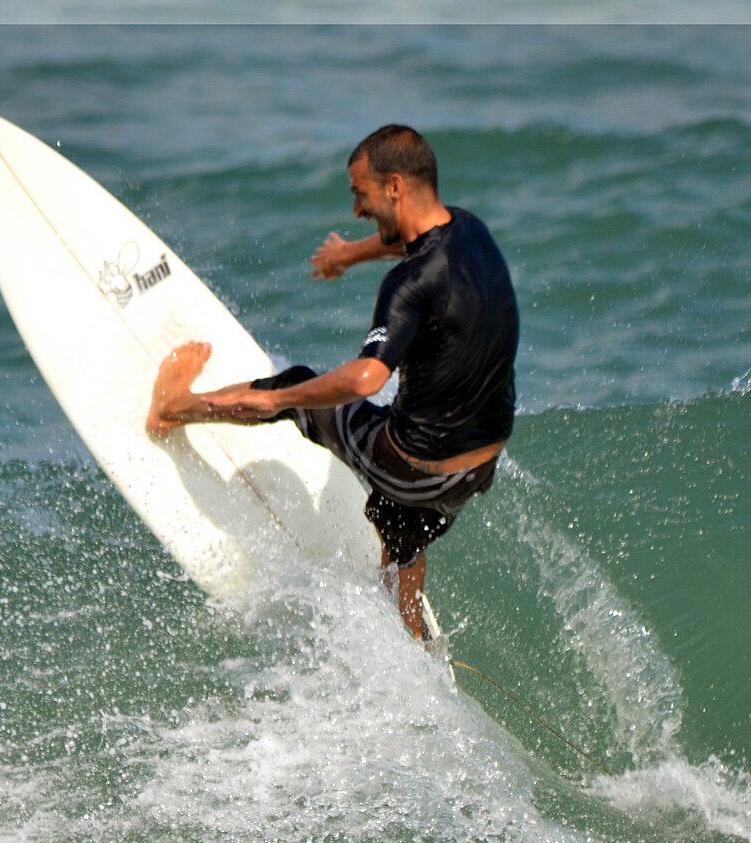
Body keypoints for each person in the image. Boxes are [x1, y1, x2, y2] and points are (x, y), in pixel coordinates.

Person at [146, 124, 519, 641]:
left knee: (302, 388)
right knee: (403, 510)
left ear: (394, 187)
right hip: (478, 468)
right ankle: (411, 627)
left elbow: (367, 377)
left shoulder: (407, 286)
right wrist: (351, 255)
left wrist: (275, 398)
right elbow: (414, 247)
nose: (356, 211)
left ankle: (172, 407)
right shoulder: (471, 231)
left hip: (415, 471)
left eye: (359, 194)